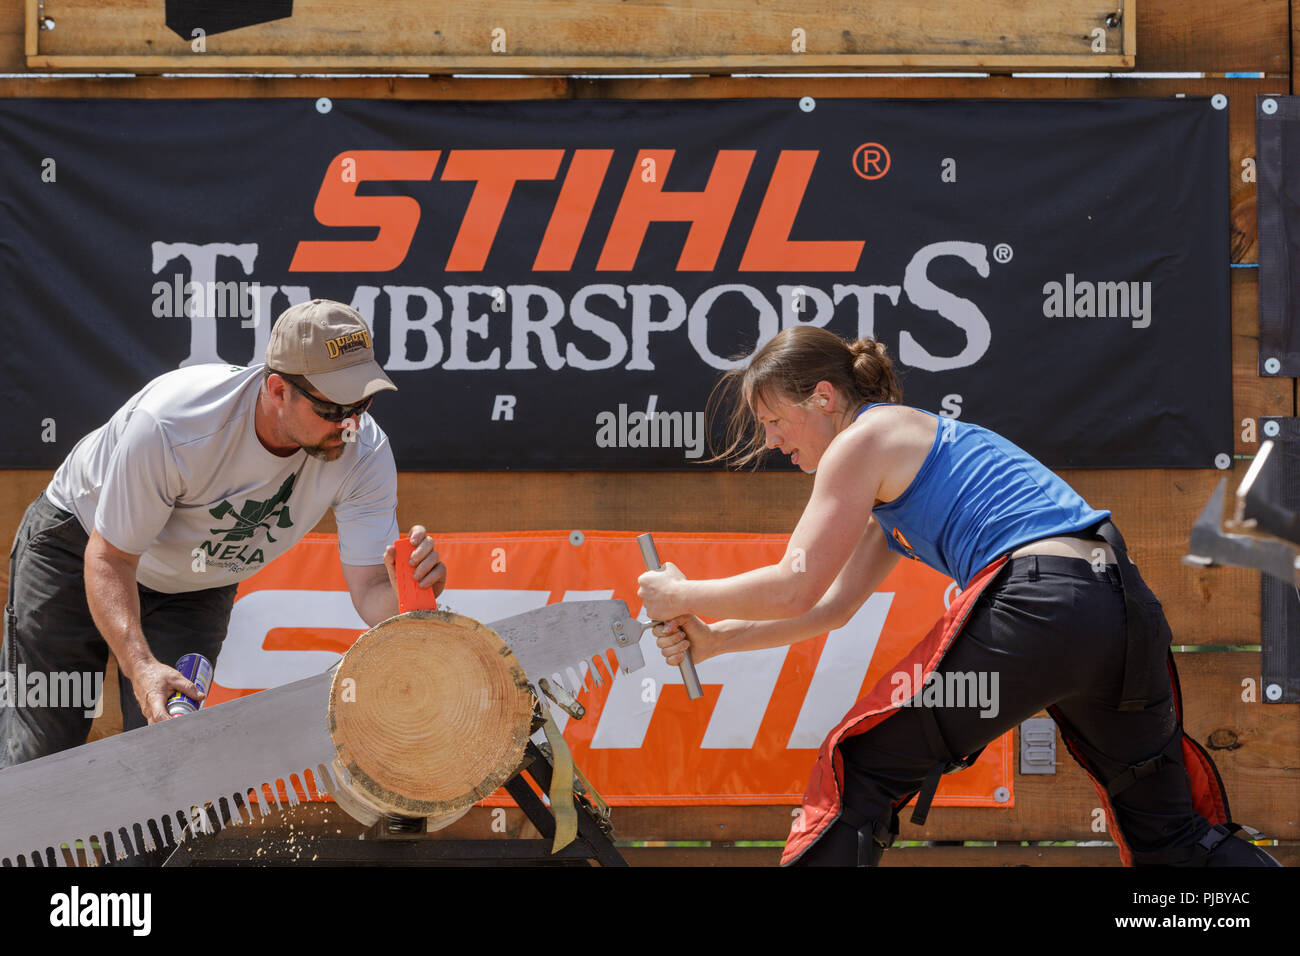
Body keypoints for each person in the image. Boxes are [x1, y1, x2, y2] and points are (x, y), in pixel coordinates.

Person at [638, 326, 1278, 867]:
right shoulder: (900, 464)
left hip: (1046, 604)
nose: (774, 440)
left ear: (825, 398)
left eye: (776, 420)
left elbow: (794, 581)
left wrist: (679, 591)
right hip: (1121, 609)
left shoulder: (862, 440)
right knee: (1171, 835)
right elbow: (830, 606)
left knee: (858, 766)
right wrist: (718, 638)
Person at [0, 298, 446, 769]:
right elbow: (110, 558)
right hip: (80, 547)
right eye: (334, 407)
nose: (350, 422)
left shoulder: (366, 452)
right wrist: (141, 666)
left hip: (196, 583)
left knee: (167, 761)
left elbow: (372, 591)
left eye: (362, 402)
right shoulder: (176, 424)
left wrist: (411, 596)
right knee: (38, 754)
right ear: (278, 390)